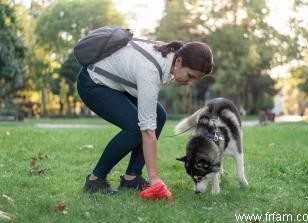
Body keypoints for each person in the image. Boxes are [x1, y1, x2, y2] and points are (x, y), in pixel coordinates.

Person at [77, 39, 213, 199]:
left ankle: (132, 177)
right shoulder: (151, 70)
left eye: (195, 79)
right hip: (93, 83)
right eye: (190, 76)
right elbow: (147, 131)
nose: (191, 83)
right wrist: (154, 178)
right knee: (135, 127)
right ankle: (95, 180)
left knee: (159, 115)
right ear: (179, 61)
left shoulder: (168, 56)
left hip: (115, 84)